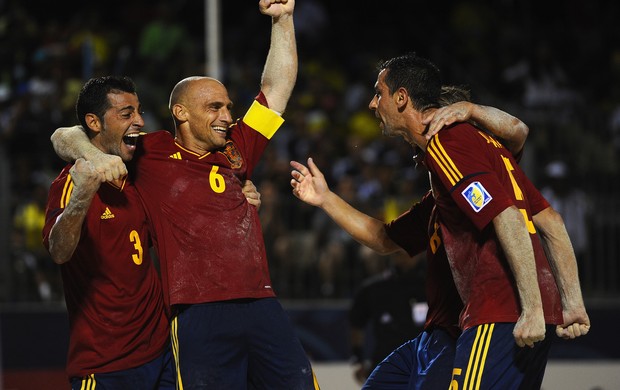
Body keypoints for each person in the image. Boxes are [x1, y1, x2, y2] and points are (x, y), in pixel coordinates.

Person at [50, 1, 319, 389]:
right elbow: (66, 136)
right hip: (197, 312)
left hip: (262, 302)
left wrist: (283, 19)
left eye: (228, 106)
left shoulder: (237, 148)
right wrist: (92, 158)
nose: (227, 115)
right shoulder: (149, 152)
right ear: (181, 112)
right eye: (214, 107)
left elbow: (276, 90)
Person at [366, 52, 589, 389]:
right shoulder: (491, 147)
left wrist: (530, 309)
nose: (372, 104)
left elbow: (507, 215)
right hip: (532, 315)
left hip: (498, 312)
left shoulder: (445, 143)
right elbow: (553, 221)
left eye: (378, 93)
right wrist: (572, 304)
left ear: (402, 98)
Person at [290, 90, 539, 389]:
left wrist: (472, 110)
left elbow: (518, 133)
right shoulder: (435, 203)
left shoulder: (486, 176)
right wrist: (326, 199)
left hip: (463, 335)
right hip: (431, 337)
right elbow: (384, 239)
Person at [42, 76, 262, 389]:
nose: (140, 121)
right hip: (105, 364)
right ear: (94, 122)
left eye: (138, 111)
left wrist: (239, 194)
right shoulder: (68, 184)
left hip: (162, 353)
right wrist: (83, 192)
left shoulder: (140, 170)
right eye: (126, 114)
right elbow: (59, 251)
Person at [349, 251, 427, 385]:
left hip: (425, 364)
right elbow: (356, 322)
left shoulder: (435, 285)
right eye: (398, 253)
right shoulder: (374, 288)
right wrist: (358, 358)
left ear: (420, 253)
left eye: (408, 251)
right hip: (386, 363)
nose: (403, 256)